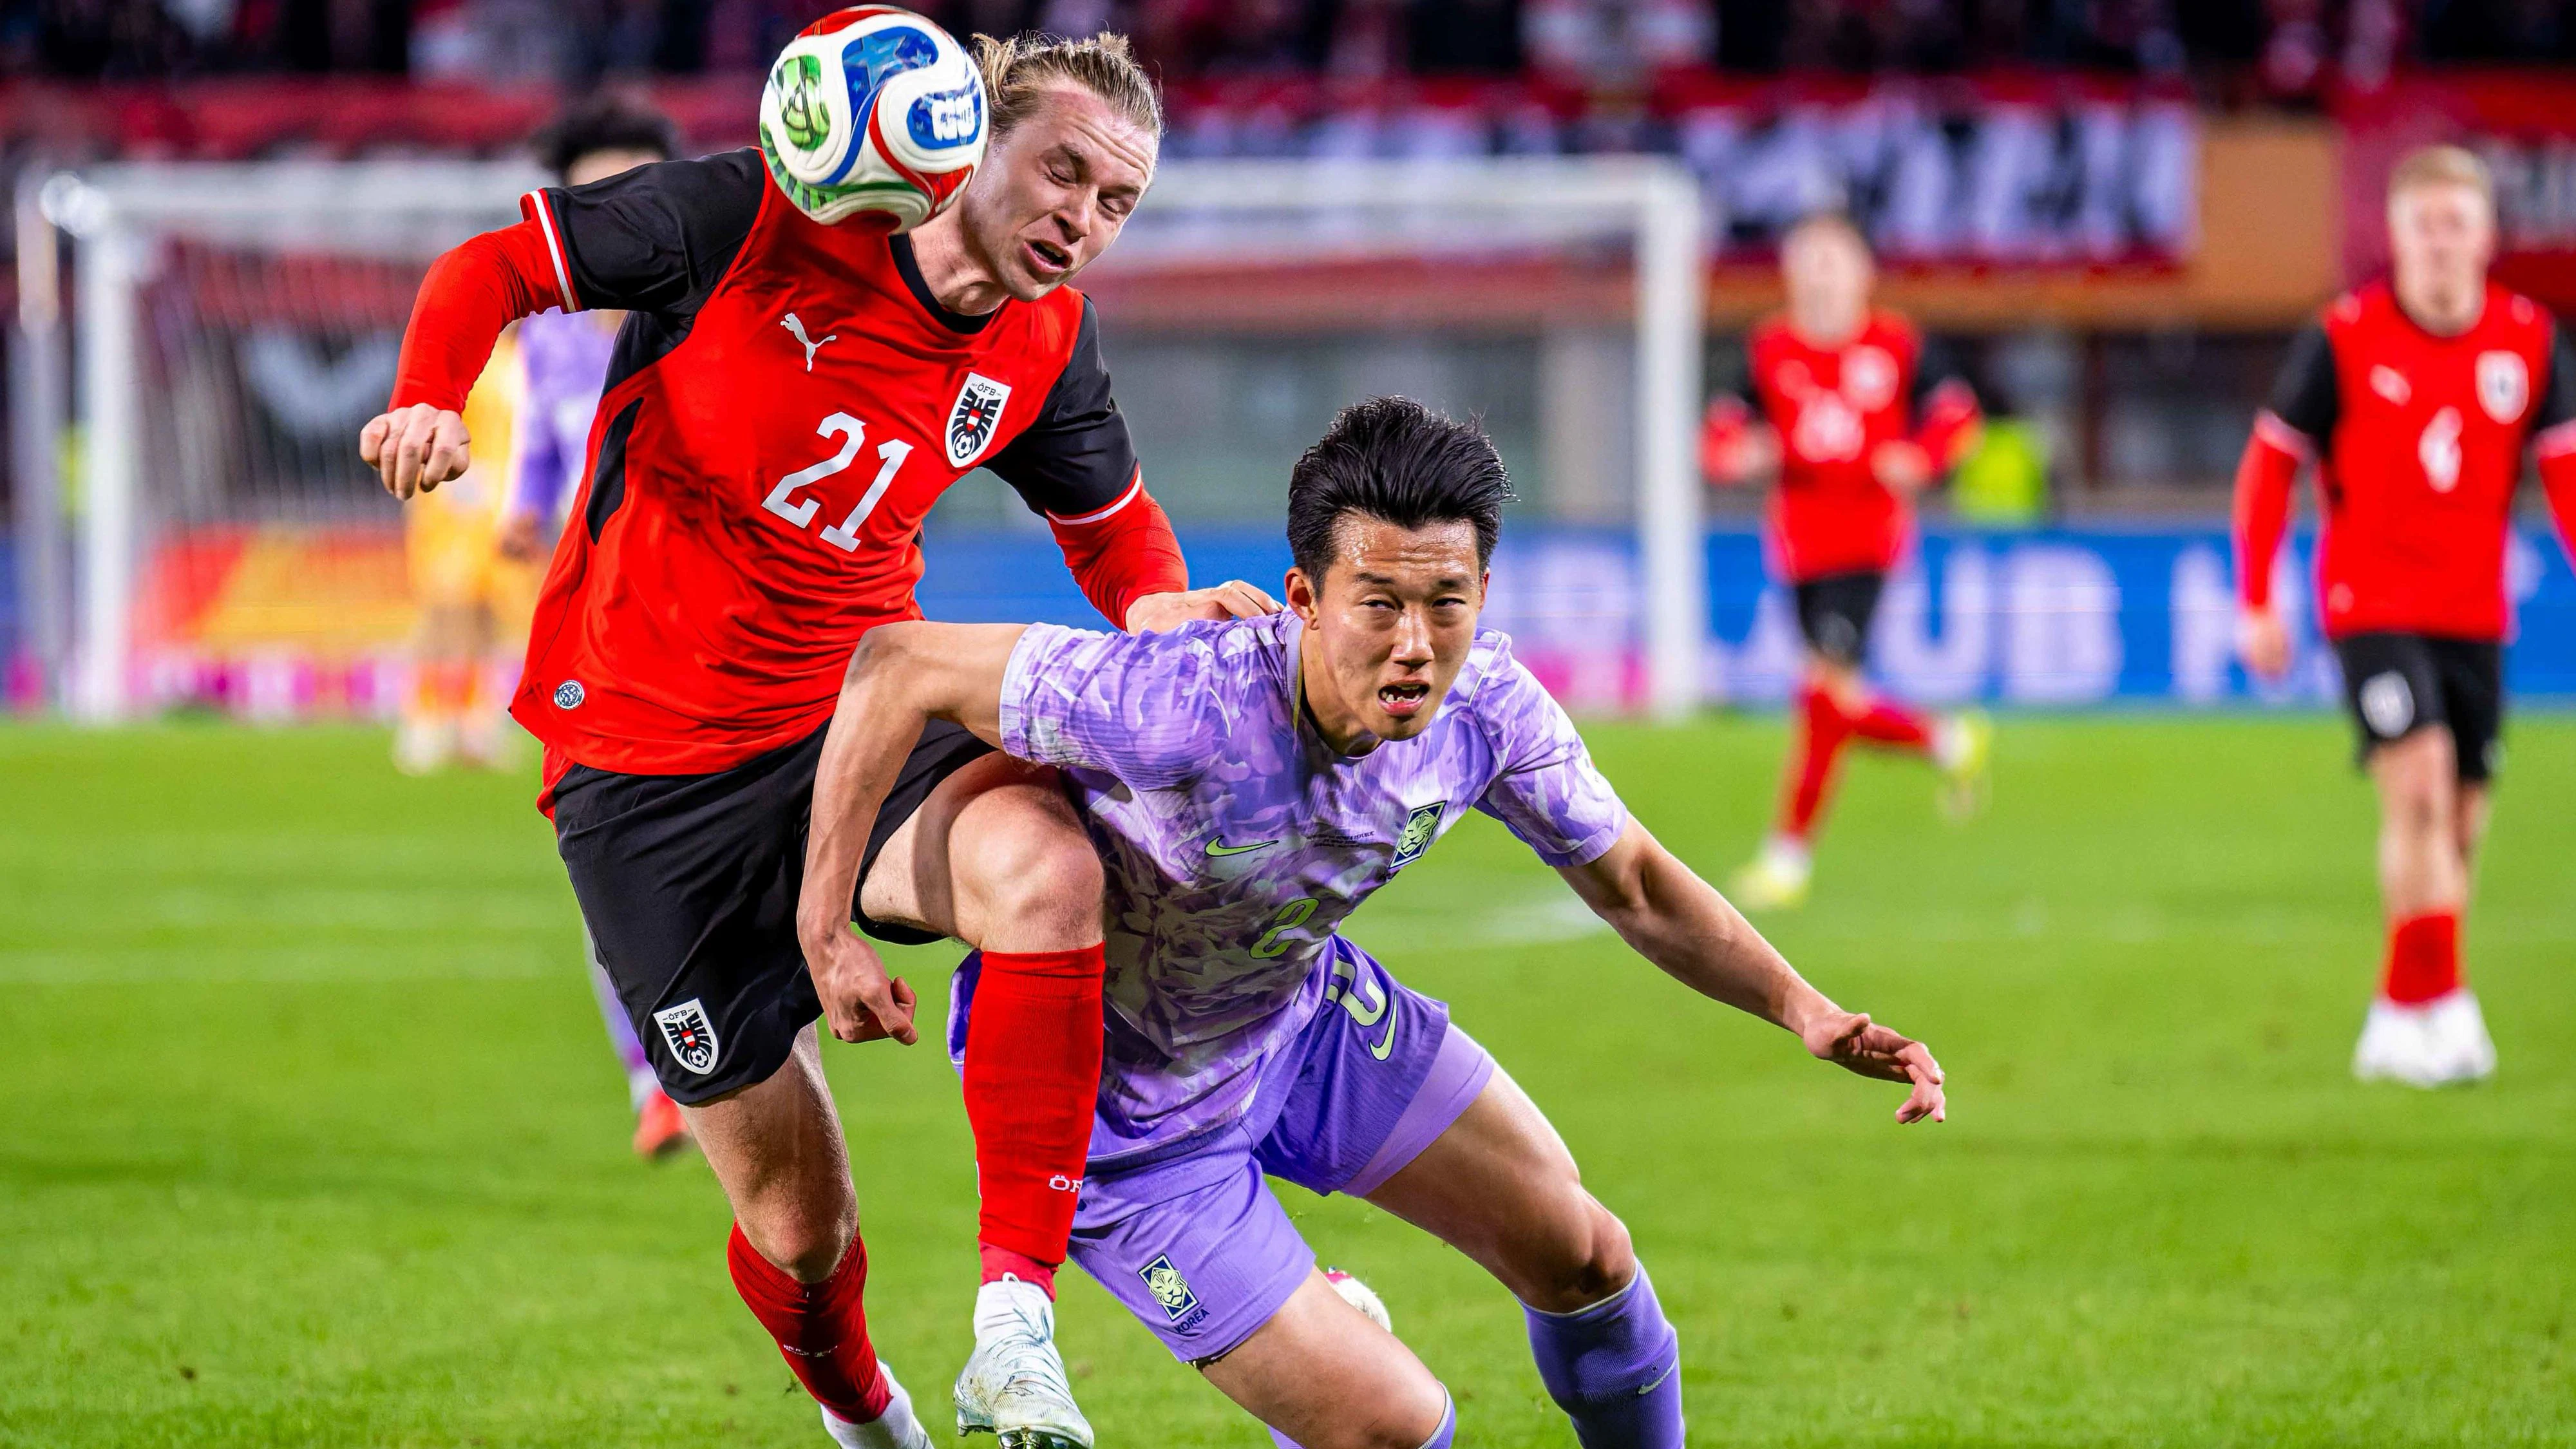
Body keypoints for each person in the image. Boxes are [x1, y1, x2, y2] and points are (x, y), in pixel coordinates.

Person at [358, 24, 1270, 1448]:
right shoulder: (739, 221)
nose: (1080, 223)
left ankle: (1013, 1329)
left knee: (1045, 868)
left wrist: (1162, 611)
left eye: (1115, 204)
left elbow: (1108, 525)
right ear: (964, 142)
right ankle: (867, 1421)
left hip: (857, 718)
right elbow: (496, 269)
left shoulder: (1040, 341)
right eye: (1062, 174)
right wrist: (424, 391)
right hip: (643, 776)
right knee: (797, 1228)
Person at [802, 397, 1948, 1448]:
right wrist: (829, 927)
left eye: (1446, 604)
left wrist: (1806, 1011)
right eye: (1379, 605)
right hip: (1134, 1125)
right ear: (1304, 600)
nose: (1415, 643)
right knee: (1399, 1429)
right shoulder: (1178, 698)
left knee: (1588, 1255)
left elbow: (1636, 883)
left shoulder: (1488, 710)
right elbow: (897, 664)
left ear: (1483, 599)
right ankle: (1313, 1348)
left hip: (1304, 1026)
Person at [2233, 144, 2576, 1088]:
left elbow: (2565, 477)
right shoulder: (2342, 337)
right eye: (2421, 225)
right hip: (2369, 604)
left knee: (2462, 822)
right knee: (2419, 788)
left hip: (2476, 612)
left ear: (2486, 236)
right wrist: (2257, 596)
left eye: (2455, 223)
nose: (2438, 243)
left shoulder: (2530, 340)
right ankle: (2450, 1005)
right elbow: (2270, 467)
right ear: (2394, 237)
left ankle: (2395, 1009)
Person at [498, 93, 697, 1160]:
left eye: (641, 191)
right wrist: (526, 512)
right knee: (607, 865)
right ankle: (653, 1078)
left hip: (726, 632)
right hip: (599, 640)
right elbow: (538, 442)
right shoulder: (552, 339)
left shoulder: (724, 317)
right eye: (601, 196)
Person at [1703, 211, 1992, 911]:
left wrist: (1921, 458)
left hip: (1866, 542)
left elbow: (1959, 416)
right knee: (1835, 702)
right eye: (1809, 263)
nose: (1822, 276)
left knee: (1822, 698)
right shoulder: (1770, 348)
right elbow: (1721, 429)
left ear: (1863, 272)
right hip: (1798, 547)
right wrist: (1734, 456)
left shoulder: (1895, 343)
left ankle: (1786, 859)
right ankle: (1945, 739)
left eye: (1835, 261)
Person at [391, 307, 526, 775]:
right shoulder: (463, 364)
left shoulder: (518, 365)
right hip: (452, 504)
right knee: (445, 613)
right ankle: (425, 718)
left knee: (487, 617)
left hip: (499, 509)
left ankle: (475, 720)